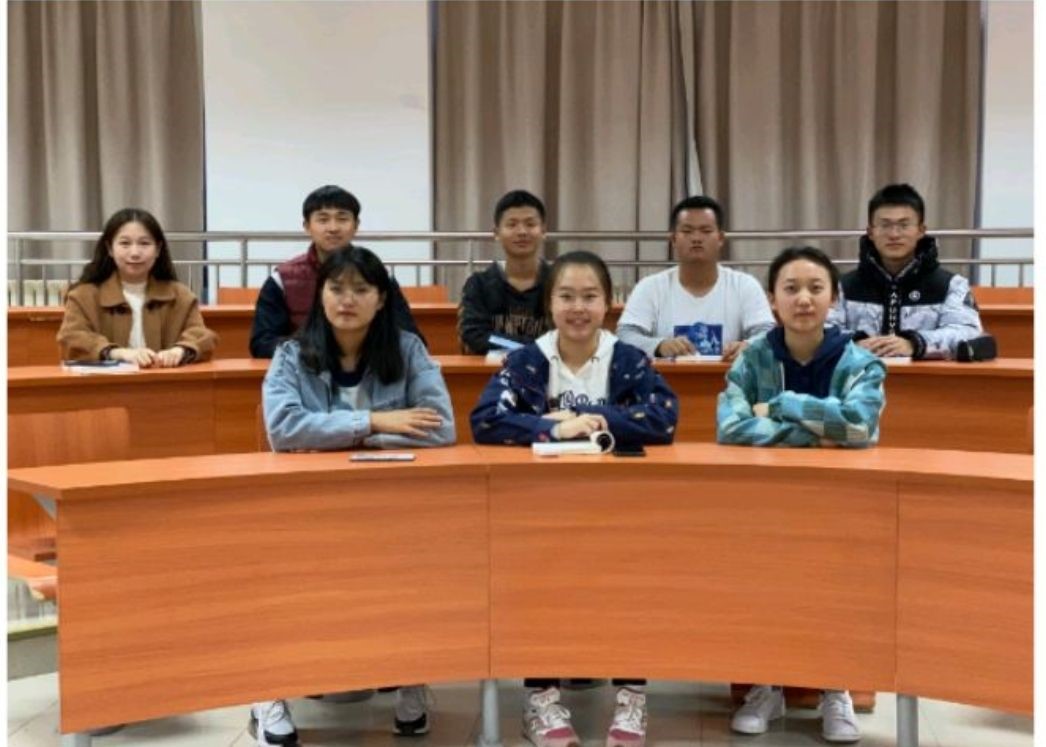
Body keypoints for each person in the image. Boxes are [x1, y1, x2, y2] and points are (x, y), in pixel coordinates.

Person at [471, 250, 678, 747]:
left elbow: (663, 417)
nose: (578, 308)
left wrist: (601, 419)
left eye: (590, 297)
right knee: (539, 589)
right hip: (541, 509)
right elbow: (485, 421)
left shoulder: (628, 359)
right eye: (566, 296)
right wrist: (553, 427)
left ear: (608, 304)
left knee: (629, 589)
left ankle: (631, 694)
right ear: (550, 303)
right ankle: (541, 697)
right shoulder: (527, 360)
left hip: (619, 508)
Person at [256, 246, 455, 746]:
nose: (348, 299)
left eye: (361, 289)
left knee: (414, 570)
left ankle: (411, 676)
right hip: (310, 506)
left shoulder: (408, 351)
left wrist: (336, 437)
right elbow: (283, 430)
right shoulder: (290, 355)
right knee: (281, 577)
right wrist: (376, 421)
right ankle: (268, 688)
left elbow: (440, 429)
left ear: (381, 299)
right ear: (320, 295)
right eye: (337, 288)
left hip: (391, 505)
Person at [717, 246, 886, 743]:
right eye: (791, 289)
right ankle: (766, 685)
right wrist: (820, 431)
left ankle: (837, 687)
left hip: (842, 502)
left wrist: (782, 405)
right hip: (765, 501)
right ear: (772, 299)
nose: (804, 299)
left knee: (838, 590)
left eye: (816, 288)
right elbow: (731, 428)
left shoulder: (861, 362)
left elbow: (859, 428)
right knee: (766, 587)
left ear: (834, 298)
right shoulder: (752, 359)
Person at [250, 184, 423, 358]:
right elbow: (263, 343)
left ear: (356, 225)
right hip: (307, 368)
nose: (333, 228)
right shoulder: (282, 279)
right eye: (323, 219)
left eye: (342, 219)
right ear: (307, 226)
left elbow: (411, 339)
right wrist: (321, 352)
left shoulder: (379, 276)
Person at [828, 183, 983, 359]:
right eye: (885, 225)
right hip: (857, 374)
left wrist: (916, 343)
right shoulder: (842, 286)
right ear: (870, 232)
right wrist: (853, 344)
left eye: (904, 225)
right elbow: (821, 331)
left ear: (921, 231)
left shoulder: (952, 285)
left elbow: (969, 333)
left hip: (925, 376)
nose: (894, 234)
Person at [617, 195, 775, 361]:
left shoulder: (745, 285)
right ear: (673, 239)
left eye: (706, 231)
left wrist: (749, 346)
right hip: (665, 378)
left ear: (720, 238)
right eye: (687, 231)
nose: (697, 238)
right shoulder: (650, 287)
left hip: (731, 377)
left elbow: (768, 333)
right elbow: (625, 336)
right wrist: (659, 346)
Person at [57, 207, 217, 365]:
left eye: (144, 243)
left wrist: (180, 350)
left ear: (158, 249)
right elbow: (71, 337)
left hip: (165, 380)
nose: (135, 253)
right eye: (125, 243)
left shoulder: (180, 295)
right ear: (110, 249)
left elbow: (201, 335)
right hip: (107, 381)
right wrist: (116, 353)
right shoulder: (83, 295)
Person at [457, 189, 552, 354]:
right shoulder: (479, 285)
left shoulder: (559, 282)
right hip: (492, 369)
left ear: (543, 231)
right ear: (496, 233)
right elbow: (474, 335)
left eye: (530, 224)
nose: (522, 232)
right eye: (512, 224)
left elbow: (564, 337)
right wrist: (528, 350)